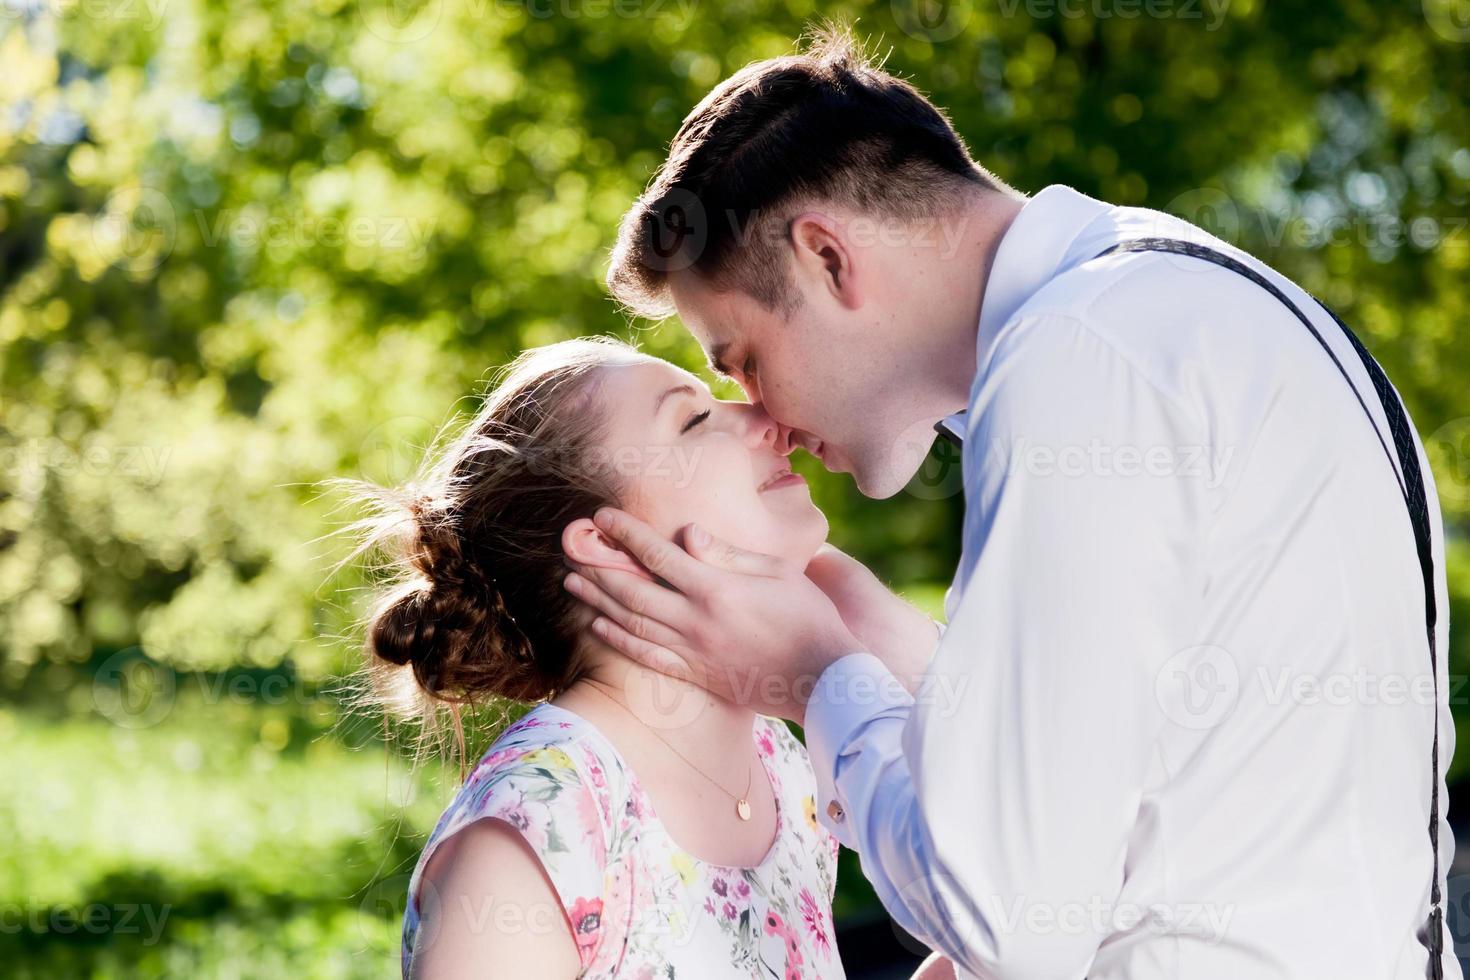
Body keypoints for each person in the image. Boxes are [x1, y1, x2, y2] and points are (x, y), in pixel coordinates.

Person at [564, 27, 1459, 980]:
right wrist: (886, 645)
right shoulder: (1183, 304)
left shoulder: (1079, 361)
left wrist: (814, 675)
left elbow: (1011, 924)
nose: (765, 418)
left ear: (827, 259)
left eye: (743, 360)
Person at [349, 337, 950, 978]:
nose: (768, 420)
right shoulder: (531, 836)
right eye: (693, 419)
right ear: (606, 543)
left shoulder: (780, 767)